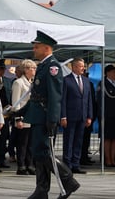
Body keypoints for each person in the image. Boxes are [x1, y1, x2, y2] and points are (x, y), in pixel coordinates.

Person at [24, 30, 80, 199]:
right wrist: (20, 111)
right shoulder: (43, 66)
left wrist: (53, 119)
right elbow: (36, 96)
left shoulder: (53, 67)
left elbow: (55, 96)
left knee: (43, 152)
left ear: (47, 48)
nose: (34, 49)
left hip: (45, 116)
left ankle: (68, 180)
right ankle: (42, 189)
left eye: (37, 46)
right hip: (37, 115)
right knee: (38, 153)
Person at [60, 58, 93, 174]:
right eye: (80, 66)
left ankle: (76, 164)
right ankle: (67, 164)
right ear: (73, 67)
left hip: (82, 116)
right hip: (70, 116)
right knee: (69, 140)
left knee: (79, 141)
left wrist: (89, 116)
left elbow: (88, 99)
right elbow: (63, 100)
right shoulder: (66, 80)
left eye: (83, 66)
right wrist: (63, 116)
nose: (83, 68)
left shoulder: (86, 81)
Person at [12, 60, 37, 175]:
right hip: (23, 116)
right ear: (26, 69)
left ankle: (30, 164)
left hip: (32, 117)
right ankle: (21, 165)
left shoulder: (33, 83)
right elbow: (16, 102)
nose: (34, 71)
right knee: (22, 143)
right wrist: (18, 119)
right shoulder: (19, 83)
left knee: (31, 143)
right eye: (32, 68)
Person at [99, 64, 115, 168]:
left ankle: (113, 158)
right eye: (113, 72)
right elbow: (101, 100)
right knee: (107, 138)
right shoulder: (103, 84)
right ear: (108, 73)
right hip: (108, 115)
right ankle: (107, 159)